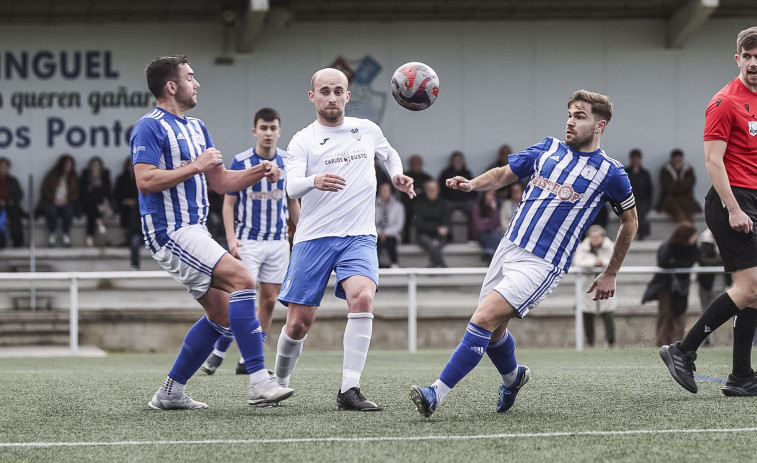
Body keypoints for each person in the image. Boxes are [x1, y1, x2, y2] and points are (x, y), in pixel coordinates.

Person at [409, 89, 637, 418]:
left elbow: (630, 221)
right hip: (509, 247)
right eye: (570, 114)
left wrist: (611, 271)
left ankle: (436, 393)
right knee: (495, 329)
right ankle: (513, 378)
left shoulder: (610, 172)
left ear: (600, 125)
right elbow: (504, 174)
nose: (570, 122)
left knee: (483, 318)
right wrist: (472, 185)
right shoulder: (548, 148)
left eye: (580, 116)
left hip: (543, 262)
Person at [131, 55, 292, 410]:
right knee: (244, 280)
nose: (197, 83)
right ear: (171, 86)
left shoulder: (197, 126)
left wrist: (259, 172)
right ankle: (258, 381)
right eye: (190, 77)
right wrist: (195, 167)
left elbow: (219, 182)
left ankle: (170, 393)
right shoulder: (149, 126)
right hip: (170, 231)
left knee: (221, 317)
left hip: (194, 230)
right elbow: (144, 181)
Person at [273, 67, 415, 412]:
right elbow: (291, 186)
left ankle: (349, 389)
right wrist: (315, 180)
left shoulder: (366, 129)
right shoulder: (302, 140)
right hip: (314, 238)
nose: (332, 97)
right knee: (298, 323)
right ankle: (276, 384)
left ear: (348, 96)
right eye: (325, 91)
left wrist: (395, 175)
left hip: (359, 236)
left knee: (363, 298)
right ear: (313, 97)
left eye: (338, 91)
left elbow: (389, 153)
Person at [661, 27, 757, 396]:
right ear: (737, 59)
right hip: (730, 201)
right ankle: (682, 351)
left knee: (755, 292)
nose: (752, 63)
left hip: (753, 200)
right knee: (748, 288)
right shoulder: (724, 102)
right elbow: (713, 162)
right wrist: (734, 208)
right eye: (746, 56)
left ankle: (742, 376)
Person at [200, 107, 301, 377]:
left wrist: (301, 234)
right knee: (242, 299)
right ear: (255, 131)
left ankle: (248, 358)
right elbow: (229, 204)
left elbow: (293, 201)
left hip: (278, 242)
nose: (268, 133)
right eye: (263, 128)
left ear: (279, 131)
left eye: (273, 128)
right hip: (249, 242)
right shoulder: (242, 161)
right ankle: (219, 352)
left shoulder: (288, 161)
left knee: (268, 301)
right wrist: (231, 239)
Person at [642, 221, 699, 347]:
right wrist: (678, 264)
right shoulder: (668, 246)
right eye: (693, 235)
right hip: (666, 285)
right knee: (665, 314)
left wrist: (676, 264)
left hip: (682, 286)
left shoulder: (692, 247)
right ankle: (661, 343)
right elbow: (664, 262)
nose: (695, 238)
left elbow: (691, 261)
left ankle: (677, 345)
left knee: (680, 315)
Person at [574, 225, 617, 348]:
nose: (595, 239)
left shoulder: (610, 246)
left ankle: (611, 342)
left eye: (598, 236)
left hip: (606, 285)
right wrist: (593, 263)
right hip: (588, 285)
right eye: (592, 236)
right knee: (587, 315)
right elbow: (577, 262)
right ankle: (590, 343)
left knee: (607, 314)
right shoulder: (582, 248)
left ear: (603, 237)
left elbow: (616, 260)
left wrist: (602, 262)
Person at [696, 227, 731, 346]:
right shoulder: (705, 242)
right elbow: (704, 261)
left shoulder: (726, 240)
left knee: (715, 313)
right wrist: (721, 260)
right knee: (706, 311)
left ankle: (711, 340)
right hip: (706, 284)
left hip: (721, 284)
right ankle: (705, 339)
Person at [38, 154, 78, 247]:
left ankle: (66, 234)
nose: (68, 167)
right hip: (53, 201)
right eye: (66, 165)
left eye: (70, 165)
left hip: (67, 202)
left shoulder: (73, 176)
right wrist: (53, 199)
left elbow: (76, 192)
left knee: (68, 212)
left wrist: (67, 200)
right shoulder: (52, 174)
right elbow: (45, 190)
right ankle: (52, 234)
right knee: (50, 211)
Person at [656, 148, 701, 223]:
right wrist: (682, 186)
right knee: (677, 212)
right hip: (670, 198)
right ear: (671, 160)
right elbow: (668, 187)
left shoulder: (688, 170)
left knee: (689, 210)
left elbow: (690, 185)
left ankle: (688, 228)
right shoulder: (665, 170)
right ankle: (684, 226)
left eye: (679, 159)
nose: (677, 161)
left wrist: (676, 186)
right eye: (675, 159)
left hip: (686, 197)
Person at [414, 179, 450, 268]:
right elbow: (419, 224)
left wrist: (440, 230)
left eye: (434, 189)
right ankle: (441, 263)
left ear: (438, 190)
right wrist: (436, 228)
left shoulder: (444, 204)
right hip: (423, 235)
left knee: (436, 242)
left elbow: (445, 224)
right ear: (425, 190)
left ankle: (433, 263)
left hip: (440, 235)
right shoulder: (419, 204)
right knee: (431, 243)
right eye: (429, 189)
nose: (432, 191)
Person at [114, 156, 142, 270]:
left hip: (151, 231)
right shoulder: (122, 179)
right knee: (134, 241)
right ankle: (135, 266)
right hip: (138, 231)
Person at [439, 150, 474, 240]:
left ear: (463, 162)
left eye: (460, 160)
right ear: (452, 161)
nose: (457, 162)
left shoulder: (467, 173)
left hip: (465, 201)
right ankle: (447, 235)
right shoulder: (446, 173)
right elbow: (441, 189)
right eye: (455, 160)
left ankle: (472, 234)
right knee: (445, 207)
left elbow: (473, 187)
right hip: (450, 201)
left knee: (473, 207)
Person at [79, 156, 113, 247]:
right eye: (93, 165)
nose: (95, 167)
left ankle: (90, 236)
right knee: (92, 207)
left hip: (102, 204)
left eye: (97, 165)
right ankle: (99, 223)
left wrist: (93, 189)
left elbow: (106, 192)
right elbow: (84, 194)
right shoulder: (85, 176)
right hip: (87, 203)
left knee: (92, 211)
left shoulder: (104, 176)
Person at [402, 154, 432, 243]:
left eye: (418, 163)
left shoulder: (426, 177)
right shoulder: (405, 176)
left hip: (423, 203)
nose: (416, 165)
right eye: (414, 163)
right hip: (409, 202)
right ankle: (406, 239)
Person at [625, 148, 653, 240]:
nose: (635, 160)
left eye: (637, 158)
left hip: (642, 200)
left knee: (639, 212)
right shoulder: (625, 172)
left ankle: (640, 231)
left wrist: (649, 203)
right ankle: (642, 230)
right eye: (633, 158)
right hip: (628, 199)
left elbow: (649, 190)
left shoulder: (645, 174)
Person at [375, 182, 405, 268]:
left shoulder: (398, 206)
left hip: (392, 234)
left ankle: (394, 263)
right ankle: (375, 264)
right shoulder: (373, 205)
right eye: (382, 190)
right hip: (376, 233)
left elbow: (399, 225)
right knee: (376, 242)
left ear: (391, 192)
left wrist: (386, 233)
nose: (384, 193)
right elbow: (370, 222)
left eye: (386, 190)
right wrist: (380, 232)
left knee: (390, 241)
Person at [472, 190, 504, 264]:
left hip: (492, 233)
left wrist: (494, 210)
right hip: (480, 234)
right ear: (484, 195)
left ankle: (488, 253)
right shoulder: (477, 205)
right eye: (489, 194)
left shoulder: (496, 207)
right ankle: (490, 255)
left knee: (496, 233)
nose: (491, 197)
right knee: (491, 233)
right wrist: (490, 224)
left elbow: (497, 222)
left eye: (493, 195)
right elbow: (479, 226)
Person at [0, 156, 25, 247]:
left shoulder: (13, 180)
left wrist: (8, 202)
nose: (3, 169)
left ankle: (17, 240)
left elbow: (19, 194)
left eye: (5, 167)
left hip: (10, 204)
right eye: (1, 167)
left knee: (15, 215)